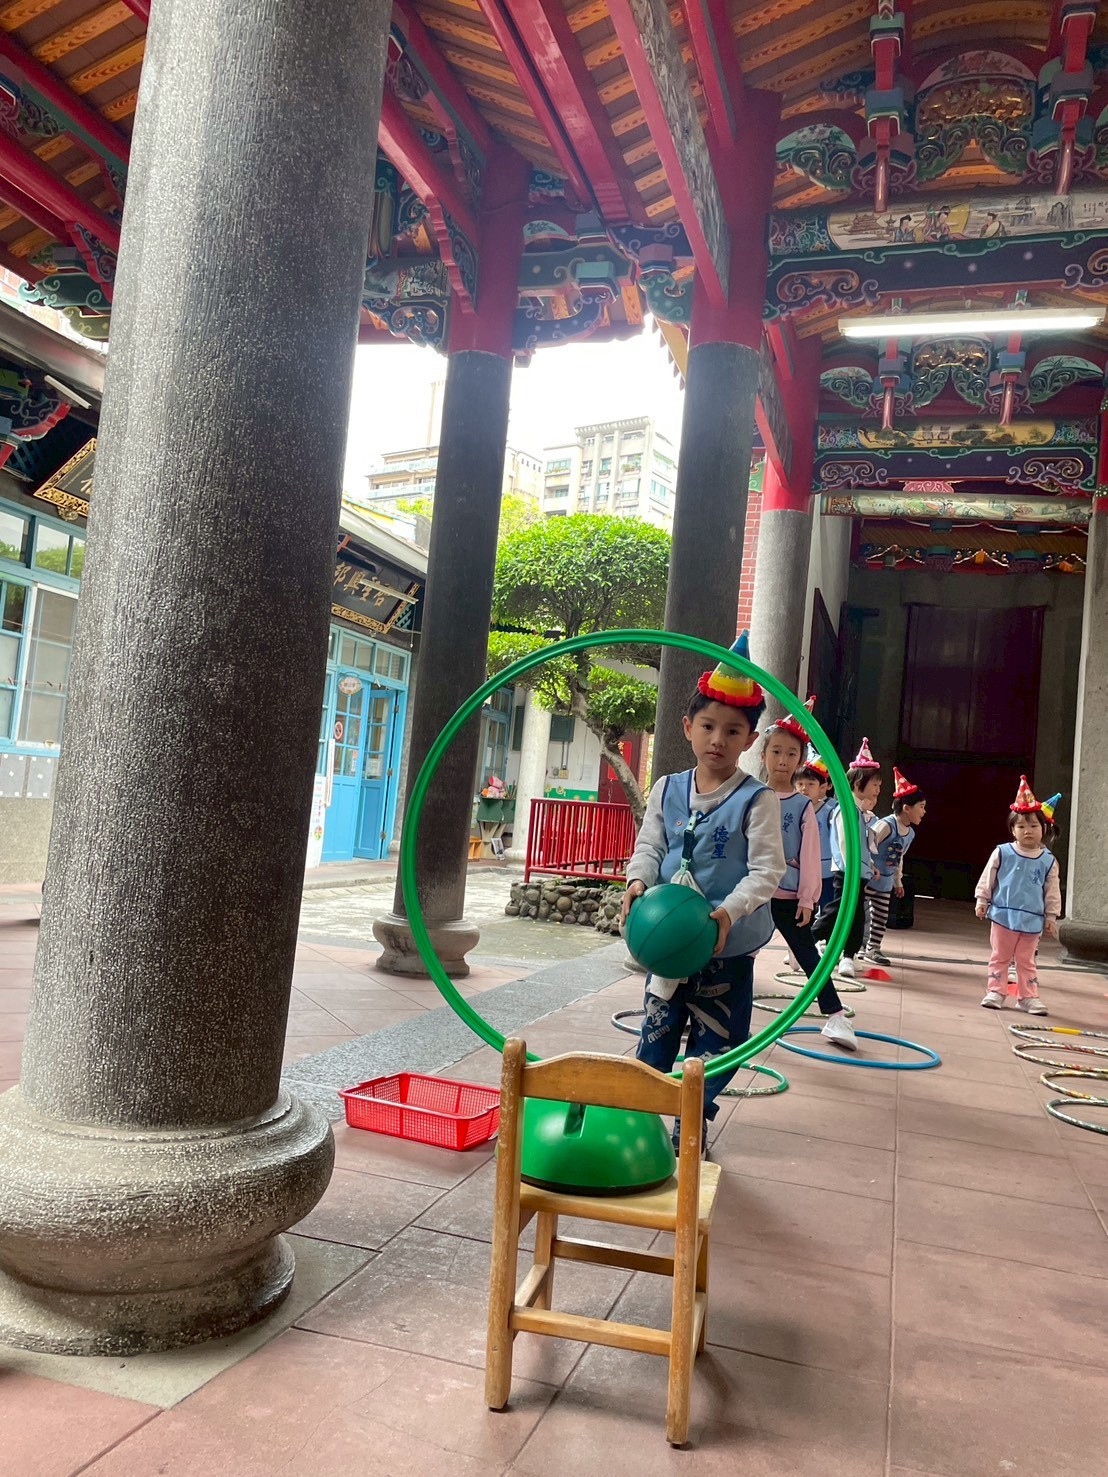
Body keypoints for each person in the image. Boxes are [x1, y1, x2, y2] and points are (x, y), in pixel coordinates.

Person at [621, 631, 786, 1151]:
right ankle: (643, 1116)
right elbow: (650, 845)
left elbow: (767, 870)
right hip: (669, 940)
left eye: (733, 730)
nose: (718, 739)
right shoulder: (667, 788)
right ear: (687, 727)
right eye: (708, 726)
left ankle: (692, 1116)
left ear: (749, 740)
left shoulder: (757, 800)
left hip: (725, 946)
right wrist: (637, 880)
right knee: (657, 1030)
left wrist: (728, 912)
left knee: (720, 1040)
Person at [762, 712, 856, 1050]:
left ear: (801, 759)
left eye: (791, 753)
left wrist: (807, 898)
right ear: (763, 754)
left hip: (786, 894)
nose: (783, 760)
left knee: (807, 955)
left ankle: (836, 1016)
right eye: (776, 751)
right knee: (729, 952)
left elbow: (811, 854)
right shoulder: (748, 795)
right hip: (748, 895)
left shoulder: (802, 806)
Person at [975, 776, 1061, 1014]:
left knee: (1026, 961)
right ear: (1013, 829)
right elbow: (988, 877)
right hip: (1003, 915)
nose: (1028, 831)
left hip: (1032, 920)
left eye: (1033, 826)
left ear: (1044, 828)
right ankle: (996, 991)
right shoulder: (1002, 852)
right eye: (1021, 826)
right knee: (1000, 956)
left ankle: (1028, 997)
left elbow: (1052, 890)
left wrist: (1051, 916)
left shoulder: (1048, 861)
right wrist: (982, 900)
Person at [811, 738, 882, 978]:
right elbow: (844, 843)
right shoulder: (846, 809)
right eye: (875, 784)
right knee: (840, 911)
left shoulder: (859, 811)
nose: (877, 790)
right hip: (847, 872)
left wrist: (868, 864)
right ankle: (815, 940)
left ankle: (848, 954)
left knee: (853, 913)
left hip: (857, 871)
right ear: (858, 783)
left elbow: (860, 845)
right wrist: (854, 868)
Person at [861, 767, 927, 966]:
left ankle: (873, 948)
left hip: (885, 882)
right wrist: (869, 865)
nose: (924, 811)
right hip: (868, 879)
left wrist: (898, 881)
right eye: (921, 806)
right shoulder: (886, 825)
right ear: (906, 808)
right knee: (860, 915)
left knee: (880, 917)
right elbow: (867, 845)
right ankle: (855, 946)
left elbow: (898, 858)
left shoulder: (910, 834)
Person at [795, 747, 835, 913]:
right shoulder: (794, 810)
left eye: (810, 784)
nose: (804, 788)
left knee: (827, 909)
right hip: (800, 870)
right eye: (800, 784)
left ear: (823, 787)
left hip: (825, 872)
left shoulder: (830, 811)